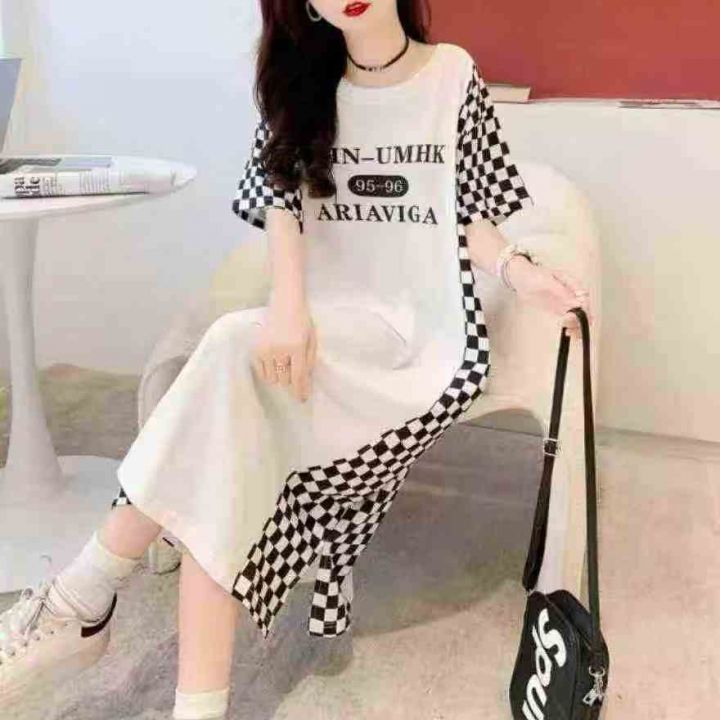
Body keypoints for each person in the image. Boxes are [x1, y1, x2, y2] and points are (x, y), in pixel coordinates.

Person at [0, 1, 593, 718]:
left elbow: (472, 219)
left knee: (226, 358)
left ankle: (81, 595)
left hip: (423, 342)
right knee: (220, 457)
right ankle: (188, 700)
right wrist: (287, 308)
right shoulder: (302, 86)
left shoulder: (451, 77)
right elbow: (281, 213)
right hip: (320, 331)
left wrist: (523, 273)